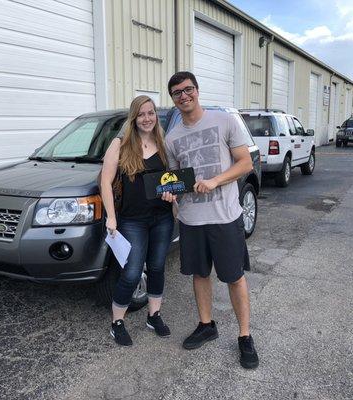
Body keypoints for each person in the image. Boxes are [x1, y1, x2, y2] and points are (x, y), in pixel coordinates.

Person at [162, 71, 259, 369]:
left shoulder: (224, 121)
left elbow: (244, 162)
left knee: (234, 277)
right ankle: (207, 325)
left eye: (188, 89)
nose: (183, 96)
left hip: (224, 217)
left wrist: (216, 180)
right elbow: (174, 179)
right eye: (177, 92)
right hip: (192, 220)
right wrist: (170, 193)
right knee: (199, 274)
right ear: (173, 98)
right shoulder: (173, 137)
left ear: (197, 90)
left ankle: (245, 336)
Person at [100, 95, 174, 346]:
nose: (147, 118)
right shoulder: (120, 144)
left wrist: (172, 192)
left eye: (151, 113)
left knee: (156, 267)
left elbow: (173, 180)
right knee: (131, 273)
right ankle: (117, 322)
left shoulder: (162, 143)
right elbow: (105, 183)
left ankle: (154, 316)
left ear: (156, 115)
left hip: (162, 217)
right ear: (134, 117)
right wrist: (111, 216)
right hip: (132, 220)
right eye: (141, 114)